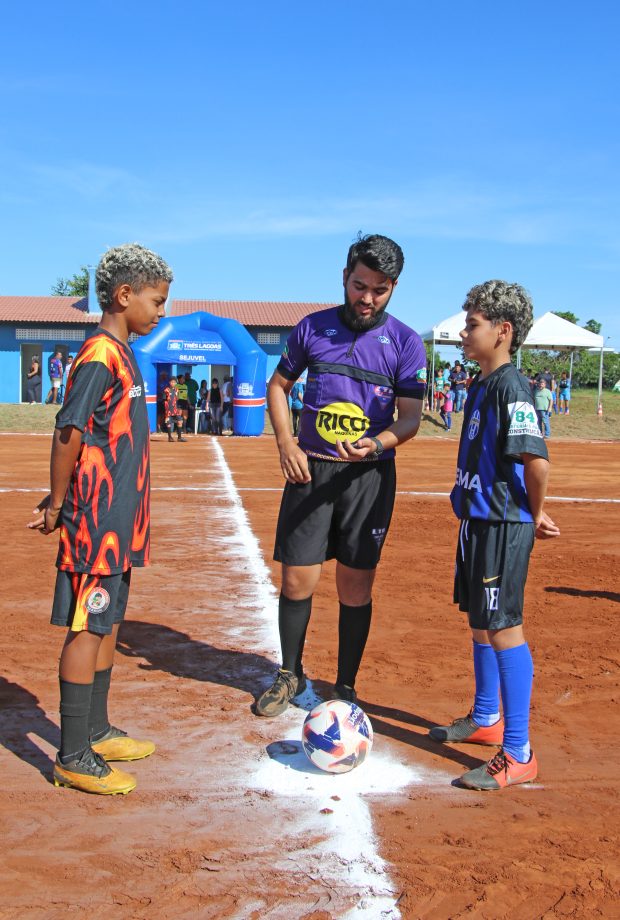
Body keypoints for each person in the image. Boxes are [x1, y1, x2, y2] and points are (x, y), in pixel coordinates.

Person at [254, 233, 427, 718]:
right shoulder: (312, 329)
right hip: (310, 471)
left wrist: (377, 442)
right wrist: (287, 443)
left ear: (392, 288)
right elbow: (278, 385)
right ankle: (290, 673)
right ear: (344, 277)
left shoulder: (407, 343)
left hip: (368, 479)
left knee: (355, 587)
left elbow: (410, 418)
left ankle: (346, 686)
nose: (367, 298)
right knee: (296, 581)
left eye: (379, 289)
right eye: (359, 285)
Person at [27, 242, 173, 795]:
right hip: (96, 518)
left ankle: (96, 729)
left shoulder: (124, 351)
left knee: (107, 619)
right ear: (124, 295)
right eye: (156, 301)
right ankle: (70, 754)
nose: (160, 312)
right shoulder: (98, 356)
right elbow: (68, 430)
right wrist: (57, 502)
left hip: (122, 517)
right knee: (87, 624)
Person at [428, 279, 560, 790]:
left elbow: (537, 461)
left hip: (503, 524)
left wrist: (533, 511)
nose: (464, 332)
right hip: (478, 521)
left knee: (504, 626)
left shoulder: (511, 386)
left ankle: (519, 751)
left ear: (503, 331)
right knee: (481, 623)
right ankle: (486, 720)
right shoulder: (482, 384)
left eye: (473, 324)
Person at [164, 377, 187, 442]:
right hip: (169, 409)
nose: (173, 383)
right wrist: (166, 408)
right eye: (172, 382)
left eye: (174, 382)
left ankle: (179, 437)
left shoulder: (177, 390)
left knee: (180, 421)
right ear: (169, 382)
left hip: (175, 409)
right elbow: (164, 400)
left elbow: (177, 400)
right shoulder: (166, 390)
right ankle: (170, 437)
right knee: (168, 423)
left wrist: (178, 408)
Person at [185, 369, 199, 433]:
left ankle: (191, 428)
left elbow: (197, 388)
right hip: (185, 402)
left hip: (193, 401)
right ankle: (186, 428)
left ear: (190, 376)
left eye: (188, 376)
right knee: (185, 416)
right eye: (186, 376)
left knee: (191, 415)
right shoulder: (183, 382)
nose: (187, 377)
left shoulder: (194, 381)